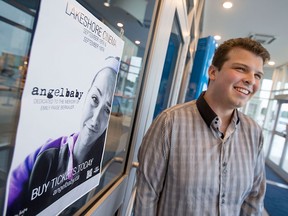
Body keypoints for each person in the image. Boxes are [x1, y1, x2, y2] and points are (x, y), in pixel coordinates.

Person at [134, 38, 270, 215]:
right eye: (241, 69)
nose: (251, 80)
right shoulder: (170, 122)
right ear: (213, 72)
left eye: (257, 75)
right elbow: (146, 197)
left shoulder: (254, 132)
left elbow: (254, 198)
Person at [6, 56, 120, 215]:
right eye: (95, 99)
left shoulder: (102, 161)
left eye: (107, 110)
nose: (95, 120)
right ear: (86, 95)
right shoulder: (44, 155)